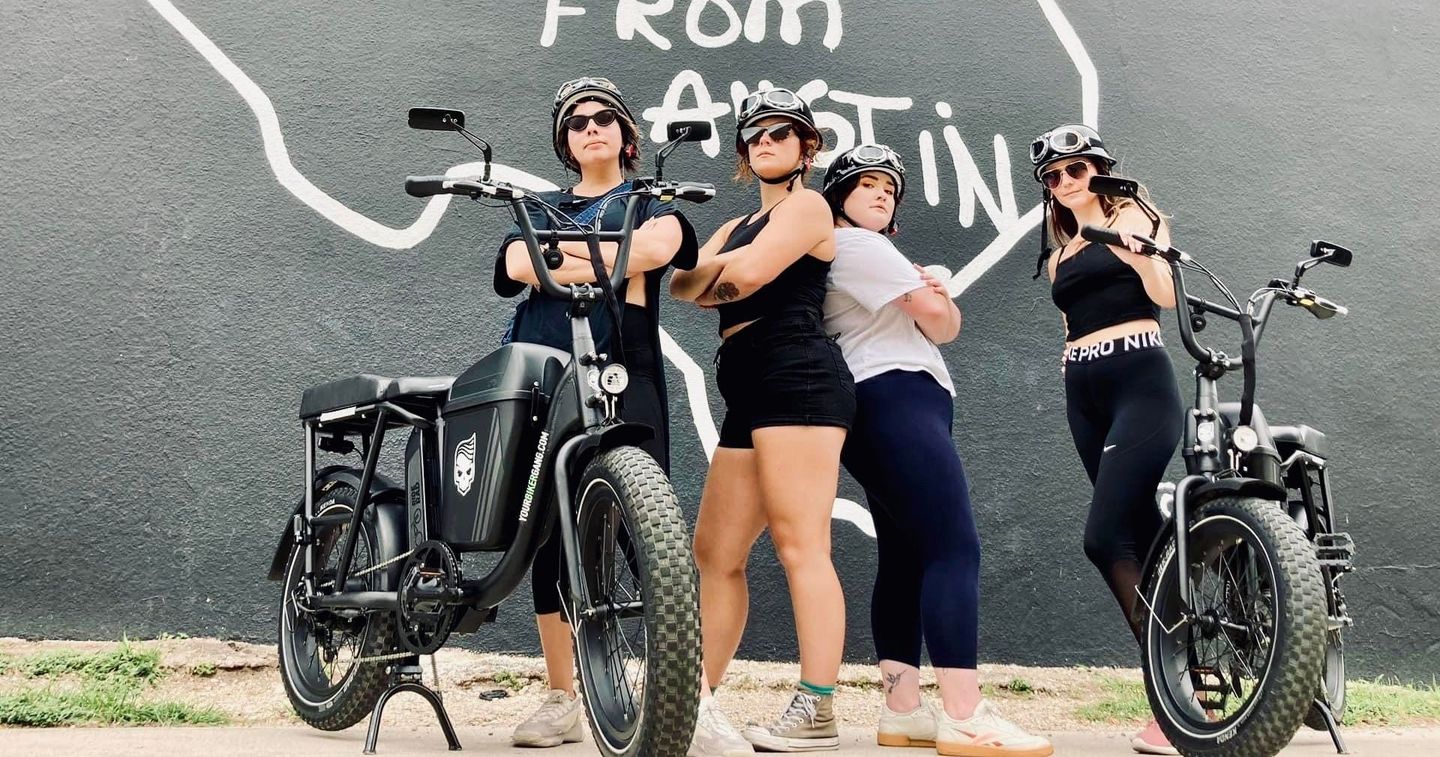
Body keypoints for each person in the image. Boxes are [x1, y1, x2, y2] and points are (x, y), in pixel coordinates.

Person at [820, 143, 1055, 757]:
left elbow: (934, 319)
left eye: (889, 189)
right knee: (955, 548)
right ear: (839, 195)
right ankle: (964, 713)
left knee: (904, 556)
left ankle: (903, 711)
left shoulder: (843, 251)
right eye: (866, 183)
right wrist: (935, 292)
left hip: (873, 403)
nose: (880, 193)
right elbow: (943, 323)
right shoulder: (862, 246)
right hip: (897, 395)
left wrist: (930, 297)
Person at [496, 76, 698, 748]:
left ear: (626, 134)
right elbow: (515, 260)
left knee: (648, 540)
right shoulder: (537, 206)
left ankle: (684, 699)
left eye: (605, 117)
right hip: (541, 382)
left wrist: (559, 255)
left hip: (623, 375)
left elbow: (654, 250)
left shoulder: (653, 203)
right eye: (577, 121)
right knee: (549, 540)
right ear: (565, 140)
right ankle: (561, 697)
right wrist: (602, 255)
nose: (591, 128)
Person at [671, 87, 853, 755]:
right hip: (748, 386)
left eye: (783, 132)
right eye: (756, 135)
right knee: (714, 552)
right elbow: (683, 286)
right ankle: (694, 701)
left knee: (801, 544)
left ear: (808, 147)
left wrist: (722, 272)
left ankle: (819, 705)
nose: (767, 141)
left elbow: (742, 278)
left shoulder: (809, 205)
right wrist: (723, 270)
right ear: (745, 152)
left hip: (797, 374)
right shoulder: (737, 224)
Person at [1031, 124, 1182, 756]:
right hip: (1083, 391)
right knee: (1142, 541)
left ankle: (1170, 702)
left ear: (1099, 169)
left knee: (1102, 537)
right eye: (1053, 177)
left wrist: (1138, 249)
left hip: (1140, 382)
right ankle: (1192, 683)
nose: (1065, 182)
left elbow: (1166, 297)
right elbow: (1071, 322)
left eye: (1075, 169)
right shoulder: (1061, 251)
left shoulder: (1137, 217)